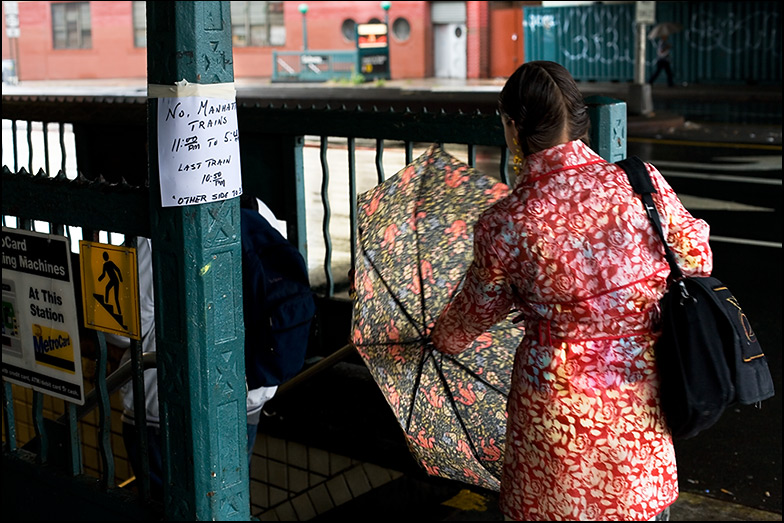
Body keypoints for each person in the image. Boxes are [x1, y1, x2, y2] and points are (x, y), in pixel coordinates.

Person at [431, 61, 713, 521]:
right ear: (578, 118)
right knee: (636, 507)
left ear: (512, 125)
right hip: (639, 392)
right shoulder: (641, 184)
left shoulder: (506, 222)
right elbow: (696, 259)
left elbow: (469, 319)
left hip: (555, 415)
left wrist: (445, 335)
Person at [113, 195, 285, 499]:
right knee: (225, 499)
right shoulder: (260, 211)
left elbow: (127, 329)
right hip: (245, 394)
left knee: (165, 502)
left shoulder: (155, 224)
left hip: (163, 399)